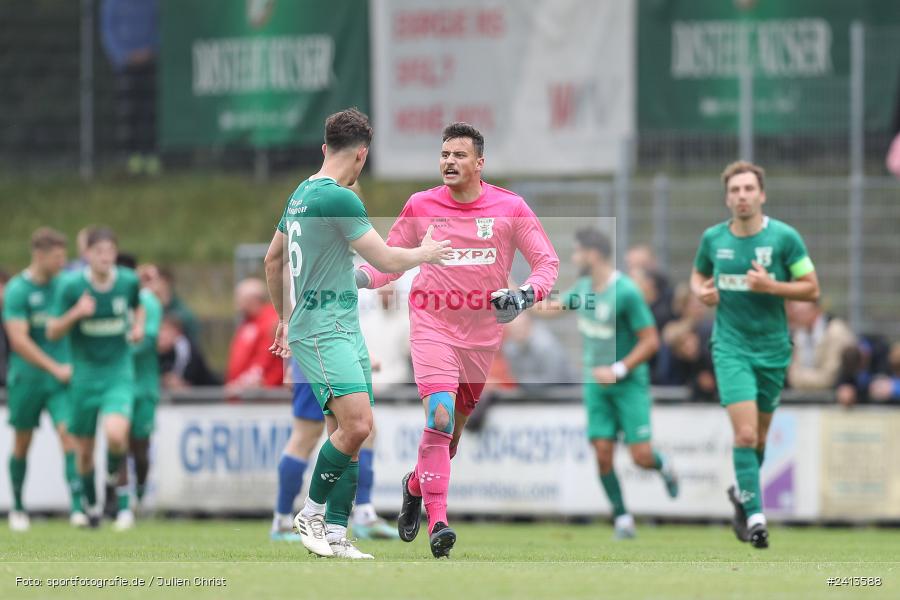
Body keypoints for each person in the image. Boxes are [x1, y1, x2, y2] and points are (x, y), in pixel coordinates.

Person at [356, 122, 559, 558]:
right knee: (440, 416)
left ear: (479, 163)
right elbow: (390, 260)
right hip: (432, 325)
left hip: (481, 337)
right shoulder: (421, 204)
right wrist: (359, 277)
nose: (449, 161)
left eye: (459, 155)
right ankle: (439, 524)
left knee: (450, 438)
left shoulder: (510, 207)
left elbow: (547, 263)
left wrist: (524, 295)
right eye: (445, 154)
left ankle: (415, 485)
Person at [264, 107, 452, 559]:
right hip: (325, 330)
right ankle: (309, 513)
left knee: (348, 433)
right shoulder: (340, 198)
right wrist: (425, 252)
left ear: (325, 148)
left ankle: (335, 535)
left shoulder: (300, 194)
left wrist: (284, 317)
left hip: (337, 326)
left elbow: (272, 260)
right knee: (359, 426)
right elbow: (385, 259)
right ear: (362, 155)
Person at [691, 161, 820, 549]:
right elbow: (698, 274)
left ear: (761, 195)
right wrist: (701, 292)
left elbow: (811, 288)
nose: (742, 196)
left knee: (760, 438)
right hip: (731, 347)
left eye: (749, 189)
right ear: (727, 198)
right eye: (735, 190)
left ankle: (742, 497)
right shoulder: (713, 239)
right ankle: (757, 519)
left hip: (773, 349)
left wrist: (771, 286)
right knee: (745, 434)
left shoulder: (784, 238)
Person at [537, 228, 678, 539]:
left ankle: (663, 465)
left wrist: (618, 368)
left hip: (628, 384)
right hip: (596, 386)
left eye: (578, 252)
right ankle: (622, 518)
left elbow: (651, 341)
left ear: (593, 254)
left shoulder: (626, 292)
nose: (574, 257)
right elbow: (548, 309)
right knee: (602, 452)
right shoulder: (583, 288)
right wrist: (513, 292)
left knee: (641, 456)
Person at [47, 228, 145, 530]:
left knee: (116, 435)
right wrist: (77, 313)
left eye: (110, 251)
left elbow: (138, 306)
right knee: (84, 452)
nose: (105, 257)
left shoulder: (127, 281)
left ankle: (112, 480)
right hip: (85, 375)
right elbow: (52, 331)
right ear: (87, 254)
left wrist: (138, 326)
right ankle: (90, 503)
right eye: (99, 251)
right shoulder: (71, 286)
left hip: (118, 372)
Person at [3, 229, 85, 531]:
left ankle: (77, 509)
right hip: (28, 378)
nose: (63, 262)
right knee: (22, 442)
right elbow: (19, 341)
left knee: (69, 436)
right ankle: (18, 507)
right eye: (57, 257)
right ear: (39, 255)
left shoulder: (66, 285)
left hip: (61, 379)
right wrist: (54, 367)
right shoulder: (17, 290)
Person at [113, 258, 163, 516]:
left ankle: (140, 492)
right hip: (115, 385)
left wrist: (115, 350)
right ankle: (123, 508)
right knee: (117, 442)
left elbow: (148, 341)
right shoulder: (107, 301)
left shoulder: (148, 302)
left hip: (142, 386)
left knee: (140, 450)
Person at [100, 0, 160, 175]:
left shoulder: (153, 3)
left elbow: (161, 27)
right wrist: (124, 56)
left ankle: (151, 157)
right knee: (128, 114)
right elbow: (108, 32)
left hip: (150, 64)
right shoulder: (112, 4)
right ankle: (130, 158)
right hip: (125, 67)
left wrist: (150, 51)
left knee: (150, 113)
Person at [225, 278, 283, 396]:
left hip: (263, 396)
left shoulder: (270, 322)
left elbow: (264, 361)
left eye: (240, 298)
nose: (237, 303)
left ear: (253, 299)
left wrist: (239, 385)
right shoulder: (248, 322)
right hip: (243, 394)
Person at [786, 300, 856, 391]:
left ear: (815, 308)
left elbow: (829, 378)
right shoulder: (797, 333)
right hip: (806, 395)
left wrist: (799, 379)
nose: (795, 314)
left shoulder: (836, 332)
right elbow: (792, 376)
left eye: (800, 312)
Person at [157, 314, 220, 388]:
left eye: (165, 330)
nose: (161, 334)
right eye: (159, 330)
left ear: (177, 332)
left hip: (209, 391)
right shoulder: (155, 349)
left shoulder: (186, 349)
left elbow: (180, 384)